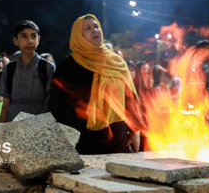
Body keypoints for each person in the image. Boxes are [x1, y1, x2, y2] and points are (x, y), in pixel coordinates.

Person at [48, 14, 142, 154]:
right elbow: (56, 105)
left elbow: (130, 99)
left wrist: (135, 132)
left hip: (117, 137)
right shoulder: (68, 67)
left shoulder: (117, 62)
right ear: (78, 36)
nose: (94, 30)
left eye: (96, 26)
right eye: (88, 28)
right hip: (81, 139)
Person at [0, 20, 55, 122]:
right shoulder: (9, 69)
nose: (30, 41)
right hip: (13, 126)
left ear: (38, 39)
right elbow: (5, 105)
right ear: (15, 40)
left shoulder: (48, 68)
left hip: (39, 127)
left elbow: (53, 104)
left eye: (33, 36)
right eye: (24, 36)